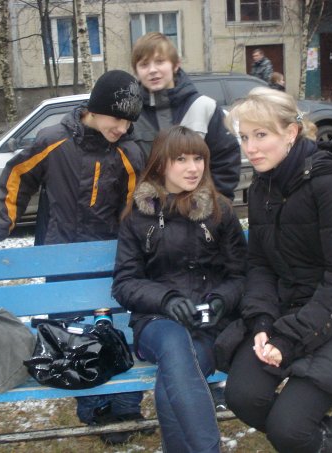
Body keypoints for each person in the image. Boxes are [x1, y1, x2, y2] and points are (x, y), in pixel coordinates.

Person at [0, 70, 149, 445]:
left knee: (119, 329)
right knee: (72, 334)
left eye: (129, 121)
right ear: (96, 109)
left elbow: (136, 208)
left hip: (110, 258)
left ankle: (127, 407)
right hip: (61, 257)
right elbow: (18, 176)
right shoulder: (54, 140)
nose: (122, 128)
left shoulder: (129, 152)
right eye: (117, 118)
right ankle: (95, 408)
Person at [218, 87, 332, 453]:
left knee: (289, 429)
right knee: (243, 397)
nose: (250, 148)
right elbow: (260, 264)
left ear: (291, 132)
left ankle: (319, 440)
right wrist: (262, 321)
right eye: (244, 137)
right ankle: (320, 437)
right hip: (288, 309)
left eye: (261, 135)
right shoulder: (262, 187)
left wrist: (288, 341)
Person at [112, 125, 247, 452]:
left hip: (209, 325)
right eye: (181, 159)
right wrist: (166, 300)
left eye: (198, 159)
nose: (193, 168)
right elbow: (125, 283)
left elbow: (242, 276)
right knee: (174, 345)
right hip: (156, 322)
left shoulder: (219, 211)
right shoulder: (138, 216)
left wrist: (220, 300)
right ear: (161, 164)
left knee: (176, 374)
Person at [130, 32, 241, 201]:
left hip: (199, 212)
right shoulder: (130, 116)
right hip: (147, 213)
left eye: (160, 61)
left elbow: (226, 162)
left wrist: (212, 204)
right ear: (136, 71)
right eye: (144, 64)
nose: (152, 70)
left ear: (176, 65)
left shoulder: (205, 108)